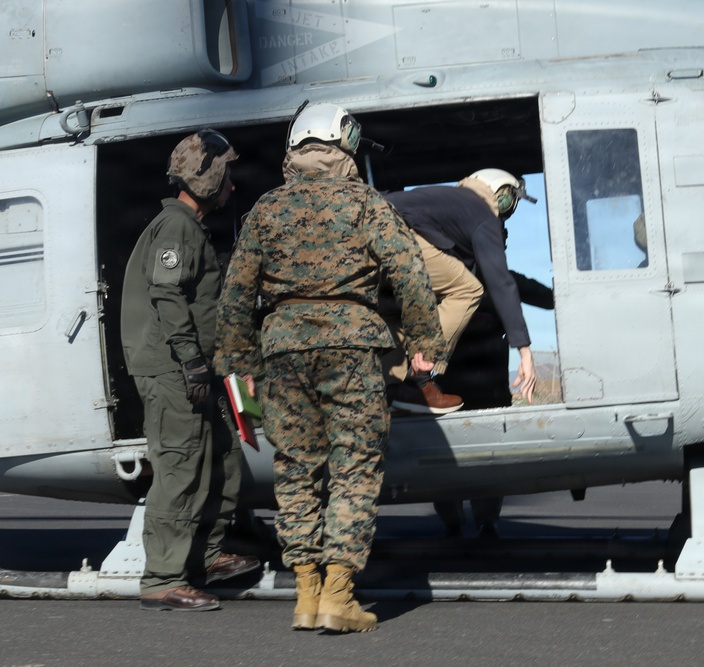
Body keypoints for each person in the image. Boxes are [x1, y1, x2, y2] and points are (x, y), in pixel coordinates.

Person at [214, 102, 448, 633]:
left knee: (296, 469)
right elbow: (409, 273)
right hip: (351, 348)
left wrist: (238, 366)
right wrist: (425, 345)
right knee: (354, 466)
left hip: (281, 352)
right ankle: (339, 595)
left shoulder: (266, 210)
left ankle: (306, 595)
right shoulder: (366, 203)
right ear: (339, 144)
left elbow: (235, 295)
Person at [120, 129, 261, 612]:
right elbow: (166, 295)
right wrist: (192, 361)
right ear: (209, 179)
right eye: (226, 178)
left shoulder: (189, 227)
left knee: (222, 460)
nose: (232, 188)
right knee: (180, 469)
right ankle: (163, 578)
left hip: (196, 370)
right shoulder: (176, 226)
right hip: (175, 370)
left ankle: (204, 556)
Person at [381, 169, 539, 413]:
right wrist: (525, 351)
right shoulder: (482, 213)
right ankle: (419, 381)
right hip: (391, 233)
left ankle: (389, 391)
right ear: (502, 195)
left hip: (358, 236)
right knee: (467, 290)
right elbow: (501, 282)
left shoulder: (445, 205)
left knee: (395, 312)